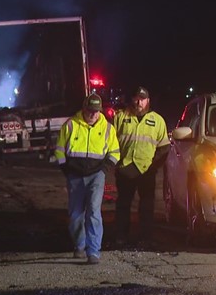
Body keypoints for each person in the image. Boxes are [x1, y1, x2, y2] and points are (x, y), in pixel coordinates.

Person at [55, 93, 120, 264]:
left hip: (96, 176)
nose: (93, 114)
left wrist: (103, 170)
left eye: (96, 111)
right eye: (90, 111)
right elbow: (59, 150)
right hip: (75, 176)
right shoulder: (70, 125)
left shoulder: (107, 129)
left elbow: (115, 153)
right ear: (84, 108)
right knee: (76, 214)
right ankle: (79, 245)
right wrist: (66, 170)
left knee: (93, 211)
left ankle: (93, 251)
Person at [113, 86, 170, 245]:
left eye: (142, 99)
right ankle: (121, 237)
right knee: (123, 205)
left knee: (146, 207)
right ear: (132, 99)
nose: (139, 102)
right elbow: (111, 143)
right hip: (125, 169)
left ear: (148, 101)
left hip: (146, 171)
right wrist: (117, 164)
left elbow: (164, 148)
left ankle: (146, 238)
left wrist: (153, 167)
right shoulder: (120, 117)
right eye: (136, 98)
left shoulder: (157, 120)